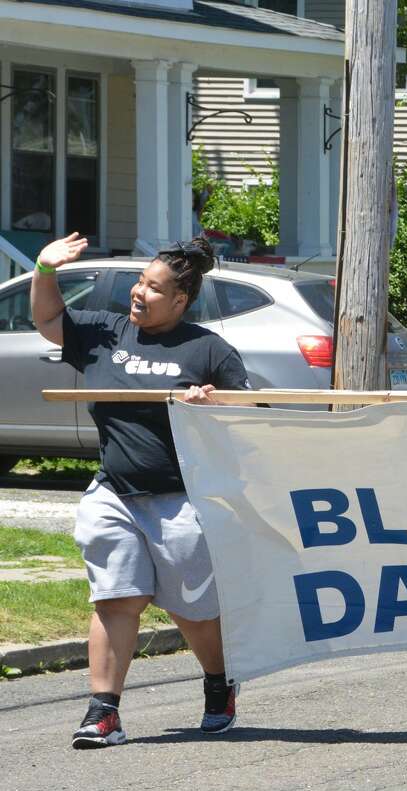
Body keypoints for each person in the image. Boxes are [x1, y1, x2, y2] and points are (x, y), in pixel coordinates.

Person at [31, 233, 252, 749]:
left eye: (153, 289)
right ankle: (103, 713)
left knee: (192, 609)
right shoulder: (105, 334)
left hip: (181, 498)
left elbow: (246, 413)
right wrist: (45, 269)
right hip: (113, 491)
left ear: (180, 300)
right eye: (139, 281)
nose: (138, 292)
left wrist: (212, 406)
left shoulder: (209, 349)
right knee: (116, 598)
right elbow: (47, 322)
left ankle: (219, 685)